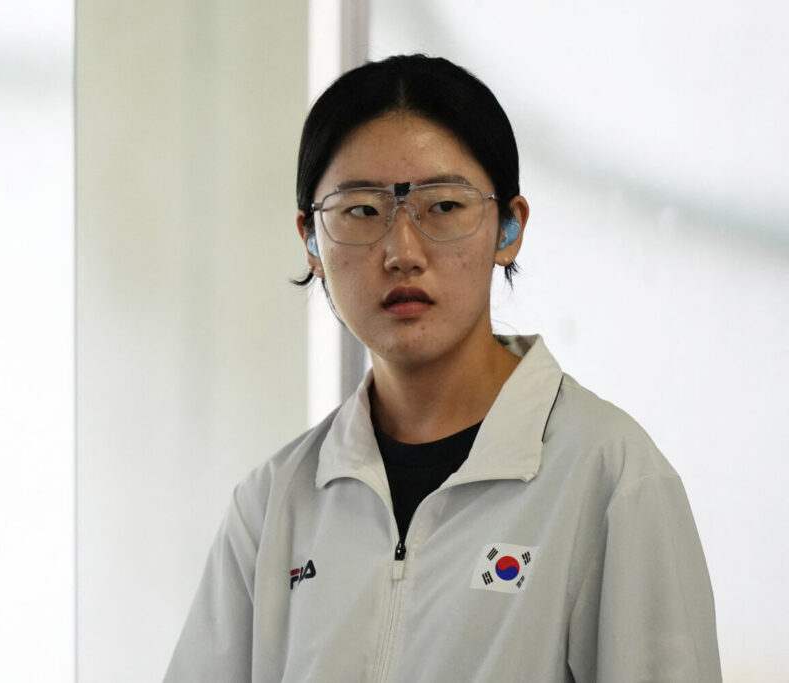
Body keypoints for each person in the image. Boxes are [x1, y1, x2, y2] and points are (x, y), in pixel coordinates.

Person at [165, 54, 721, 682]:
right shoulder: (272, 506)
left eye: (444, 207)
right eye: (362, 211)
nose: (402, 253)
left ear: (508, 228)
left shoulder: (610, 476)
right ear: (311, 241)